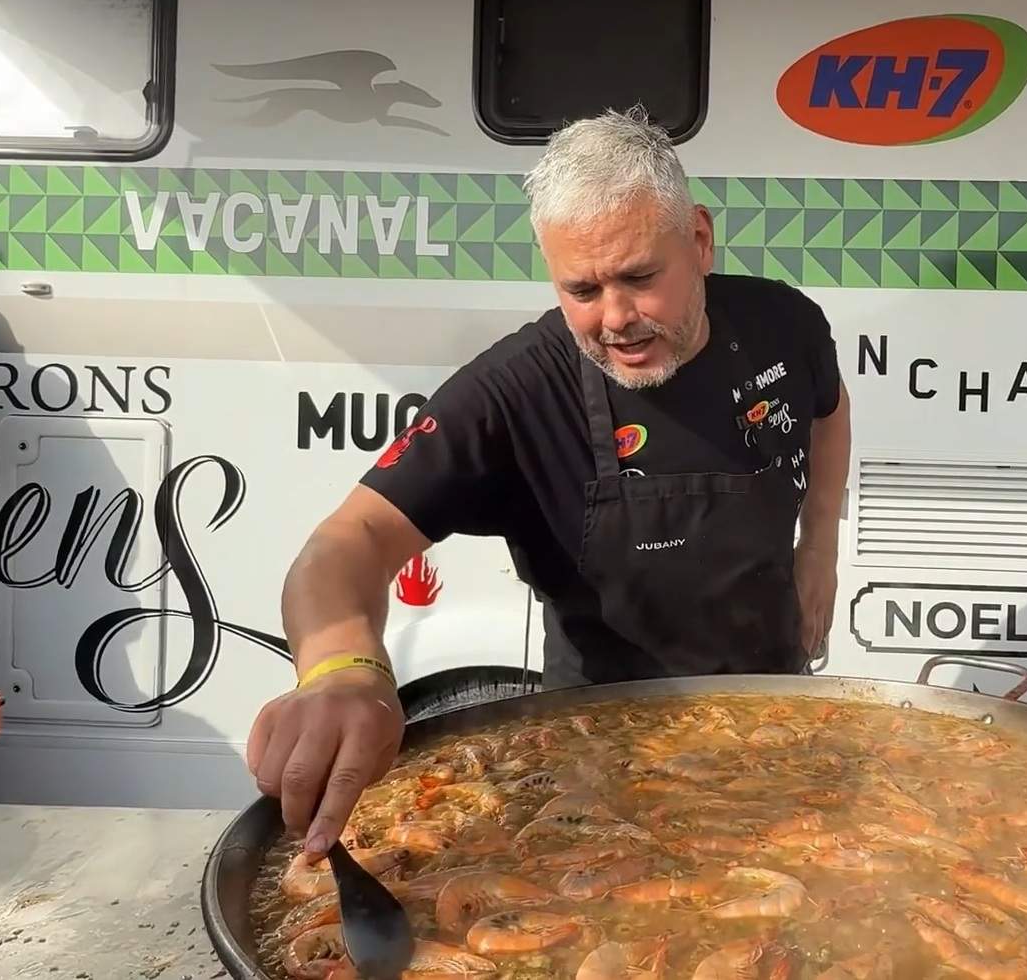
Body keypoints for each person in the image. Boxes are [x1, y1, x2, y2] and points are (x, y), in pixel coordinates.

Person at [245, 106, 852, 854]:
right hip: (602, 761)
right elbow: (347, 541)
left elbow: (827, 409)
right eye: (583, 291)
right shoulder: (517, 390)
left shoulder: (785, 322)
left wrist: (819, 540)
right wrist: (343, 670)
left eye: (639, 278)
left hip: (775, 714)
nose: (617, 318)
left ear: (698, 239)